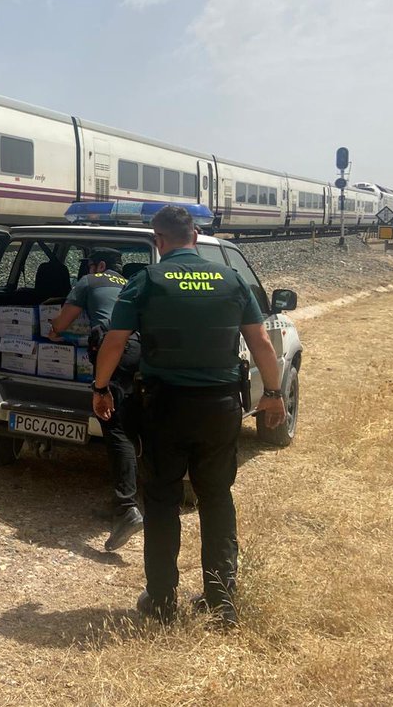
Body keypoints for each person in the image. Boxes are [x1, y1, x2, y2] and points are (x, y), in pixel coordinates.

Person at [90, 206, 286, 627]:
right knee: (216, 496)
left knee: (162, 499)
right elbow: (262, 344)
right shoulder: (231, 279)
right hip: (220, 407)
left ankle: (162, 600)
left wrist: (101, 388)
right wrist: (272, 394)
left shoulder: (147, 280)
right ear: (194, 236)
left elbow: (114, 342)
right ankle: (221, 601)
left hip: (165, 407)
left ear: (159, 241)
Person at [47, 247, 142, 552]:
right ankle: (122, 502)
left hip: (114, 352)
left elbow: (63, 322)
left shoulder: (90, 281)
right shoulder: (132, 283)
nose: (86, 269)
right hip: (138, 352)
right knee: (127, 424)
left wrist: (53, 332)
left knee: (115, 429)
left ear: (99, 265)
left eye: (88, 264)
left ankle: (127, 508)